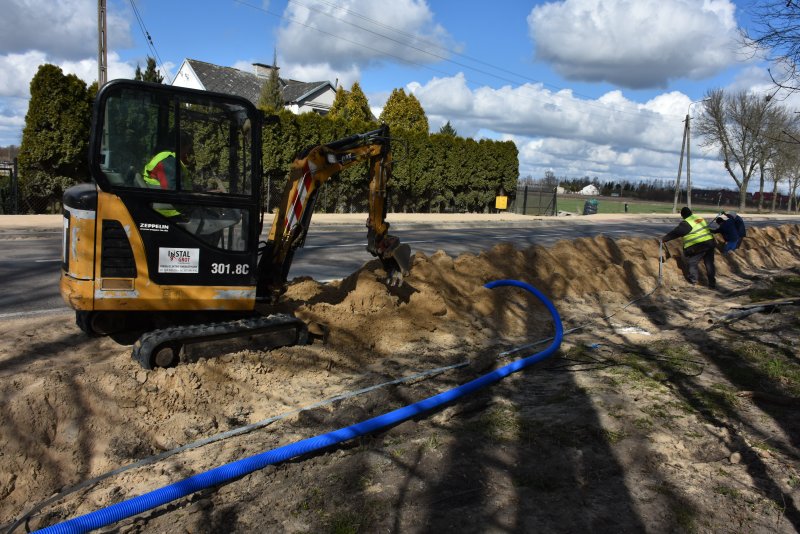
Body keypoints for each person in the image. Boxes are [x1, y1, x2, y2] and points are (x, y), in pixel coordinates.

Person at [661, 206, 717, 288]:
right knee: (709, 264)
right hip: (710, 242)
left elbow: (676, 232)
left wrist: (664, 239)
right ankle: (712, 283)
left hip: (700, 245)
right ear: (691, 212)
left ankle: (693, 280)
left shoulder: (687, 223)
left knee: (692, 262)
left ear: (683, 215)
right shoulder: (699, 218)